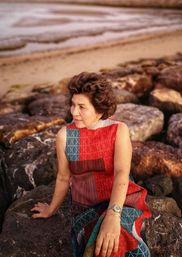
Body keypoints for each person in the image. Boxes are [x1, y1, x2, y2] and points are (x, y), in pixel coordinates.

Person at [31, 72, 151, 257]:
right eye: (72, 104)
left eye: (81, 107)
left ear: (100, 110)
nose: (73, 112)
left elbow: (121, 173)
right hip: (85, 207)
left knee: (120, 243)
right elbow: (63, 177)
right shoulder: (65, 136)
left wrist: (113, 215)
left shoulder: (118, 130)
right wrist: (51, 209)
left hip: (120, 201)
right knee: (98, 247)